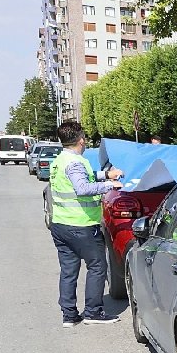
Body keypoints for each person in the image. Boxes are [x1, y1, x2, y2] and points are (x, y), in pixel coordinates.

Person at [48, 120, 124, 327]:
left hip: (61, 225)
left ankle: (69, 315)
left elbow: (84, 177)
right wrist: (110, 184)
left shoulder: (60, 161)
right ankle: (93, 312)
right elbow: (82, 187)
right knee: (98, 266)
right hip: (81, 226)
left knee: (69, 270)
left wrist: (106, 174)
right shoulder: (75, 162)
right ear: (81, 140)